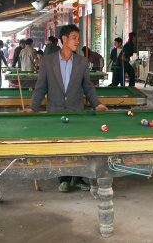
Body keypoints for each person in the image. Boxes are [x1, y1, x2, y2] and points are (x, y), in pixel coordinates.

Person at [23, 24, 108, 192]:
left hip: (76, 110)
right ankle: (63, 178)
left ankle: (78, 178)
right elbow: (41, 88)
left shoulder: (82, 62)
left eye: (78, 38)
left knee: (77, 145)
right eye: (74, 37)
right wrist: (32, 107)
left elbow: (88, 86)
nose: (77, 41)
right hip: (55, 110)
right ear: (64, 39)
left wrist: (96, 104)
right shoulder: (48, 61)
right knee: (61, 145)